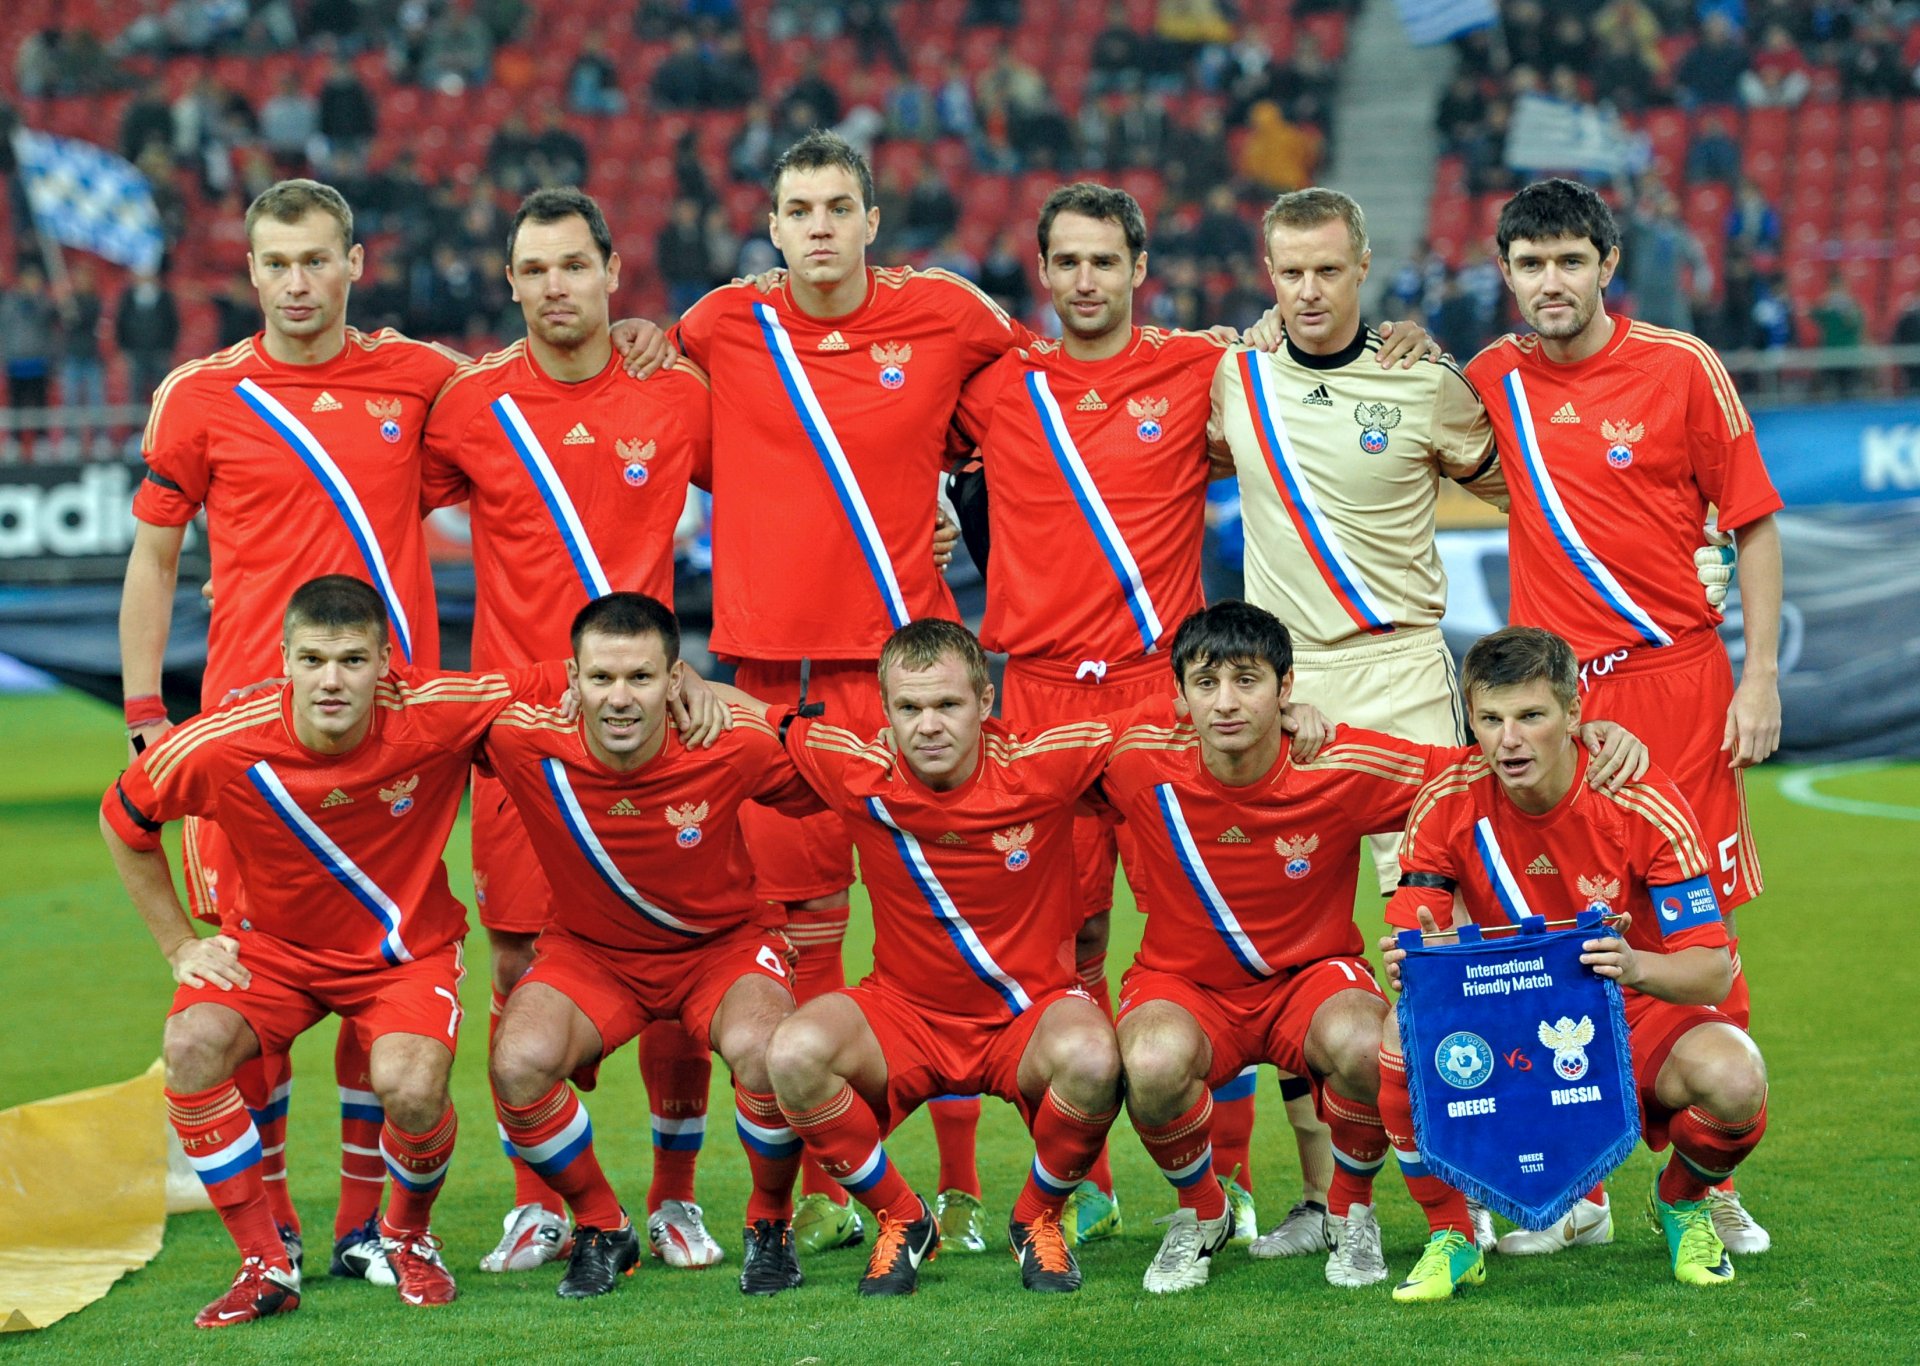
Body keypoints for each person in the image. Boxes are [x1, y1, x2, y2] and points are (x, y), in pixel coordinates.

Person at [664, 129, 1025, 1254]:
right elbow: (651, 383)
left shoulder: (949, 312)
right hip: (774, 684)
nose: (818, 226)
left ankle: (963, 1190)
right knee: (801, 936)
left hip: (907, 681)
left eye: (837, 207)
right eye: (798, 209)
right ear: (771, 228)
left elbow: (1044, 392)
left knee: (950, 936)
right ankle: (832, 1185)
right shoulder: (720, 323)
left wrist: (954, 488)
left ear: (872, 220)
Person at [1098, 601, 1647, 1295]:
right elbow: (1028, 761)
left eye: (1247, 681)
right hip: (1184, 983)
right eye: (1206, 684)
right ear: (1179, 695)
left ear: (1286, 687)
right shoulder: (1134, 755)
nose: (1226, 702)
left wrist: (1581, 735)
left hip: (1309, 977)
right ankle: (1203, 1212)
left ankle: (1349, 1212)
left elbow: (1475, 767)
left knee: (1368, 1042)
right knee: (1149, 1060)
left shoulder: (1340, 761)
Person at [120, 178, 457, 1291]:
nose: (297, 282)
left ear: (356, 262)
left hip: (389, 737)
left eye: (317, 259)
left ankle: (365, 1226)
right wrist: (146, 715)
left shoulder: (422, 378)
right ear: (251, 271)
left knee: (381, 966)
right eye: (276, 262)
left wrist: (639, 338)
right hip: (246, 746)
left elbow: (540, 409)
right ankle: (275, 1233)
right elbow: (156, 558)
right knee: (244, 978)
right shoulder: (200, 395)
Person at [1466, 177, 1782, 1256]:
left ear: (1607, 264)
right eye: (1530, 263)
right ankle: (1581, 1177)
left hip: (1678, 682)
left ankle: (1710, 1178)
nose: (1550, 281)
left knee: (1698, 925)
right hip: (1557, 698)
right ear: (1506, 273)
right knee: (1557, 922)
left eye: (1570, 260)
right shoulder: (1490, 379)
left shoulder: (1682, 366)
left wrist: (1759, 677)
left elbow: (1753, 522)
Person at [98, 577, 542, 1325]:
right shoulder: (222, 740)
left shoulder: (436, 710)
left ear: (385, 664)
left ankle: (407, 1235)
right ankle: (264, 1261)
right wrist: (179, 945)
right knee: (192, 1045)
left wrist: (688, 681)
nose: (331, 680)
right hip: (273, 952)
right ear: (284, 662)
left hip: (404, 955)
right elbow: (123, 820)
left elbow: (565, 677)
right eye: (312, 660)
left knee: (412, 1086)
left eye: (352, 660)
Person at [422, 187, 724, 1277]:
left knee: (675, 949)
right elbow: (369, 510)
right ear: (510, 283)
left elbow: (778, 493)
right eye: (535, 269)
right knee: (515, 953)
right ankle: (541, 1204)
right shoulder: (469, 405)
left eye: (574, 266)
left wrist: (935, 514)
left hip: (651, 722)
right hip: (522, 730)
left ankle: (676, 1198)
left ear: (611, 274)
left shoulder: (676, 391)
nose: (556, 286)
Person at [1210, 186, 1508, 1255]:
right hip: (1289, 694)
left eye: (1328, 270)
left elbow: (1531, 493)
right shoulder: (1232, 376)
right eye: (1290, 272)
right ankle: (1325, 1201)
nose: (1308, 291)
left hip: (1404, 677)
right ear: (1268, 274)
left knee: (1434, 942)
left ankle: (1482, 1174)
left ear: (1364, 267)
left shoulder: (1424, 382)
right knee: (1290, 949)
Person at [1378, 626, 1769, 1298]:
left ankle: (1682, 1201)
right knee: (1395, 1037)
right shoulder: (1447, 800)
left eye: (1531, 716)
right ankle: (1453, 1233)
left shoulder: (1636, 797)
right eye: (1490, 720)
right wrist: (1417, 962)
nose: (1509, 741)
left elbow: (1711, 970)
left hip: (1631, 1010)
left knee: (1736, 1079)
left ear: (1574, 713)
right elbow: (1415, 944)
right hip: (1510, 1017)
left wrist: (1632, 966)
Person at [760, 619, 1123, 1296]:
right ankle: (902, 1217)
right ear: (885, 709)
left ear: (985, 701)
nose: (928, 726)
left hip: (1029, 1012)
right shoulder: (856, 766)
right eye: (909, 707)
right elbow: (752, 717)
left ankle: (1036, 1219)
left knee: (1097, 1059)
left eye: (948, 704)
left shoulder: (1042, 763)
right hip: (906, 1014)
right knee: (792, 1053)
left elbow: (1170, 724)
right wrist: (689, 689)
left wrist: (1293, 715)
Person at [482, 593, 820, 1298]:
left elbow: (843, 777)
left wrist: (747, 704)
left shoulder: (727, 740)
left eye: (640, 677)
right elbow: (409, 718)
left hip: (720, 949)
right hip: (593, 955)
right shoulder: (521, 739)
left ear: (674, 680)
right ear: (571, 679)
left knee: (770, 1052)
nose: (619, 698)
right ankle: (601, 1225)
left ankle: (770, 1222)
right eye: (601, 678)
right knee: (517, 1063)